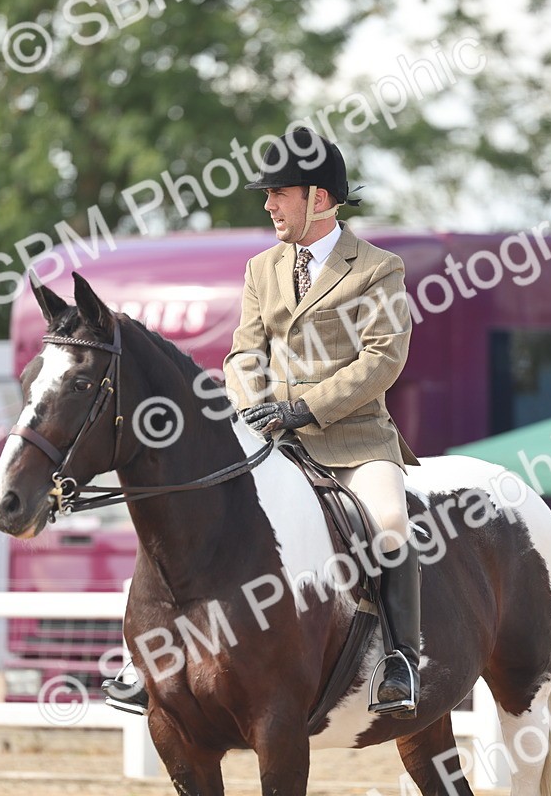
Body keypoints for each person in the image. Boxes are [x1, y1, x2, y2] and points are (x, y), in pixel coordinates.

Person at [103, 127, 422, 718]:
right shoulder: (261, 268)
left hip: (352, 441)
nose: (269, 205)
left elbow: (382, 359)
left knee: (390, 522)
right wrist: (251, 406)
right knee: (188, 517)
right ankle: (146, 656)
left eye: (280, 193)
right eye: (268, 194)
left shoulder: (378, 269)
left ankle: (401, 658)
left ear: (319, 199)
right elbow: (244, 351)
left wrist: (302, 408)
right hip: (269, 440)